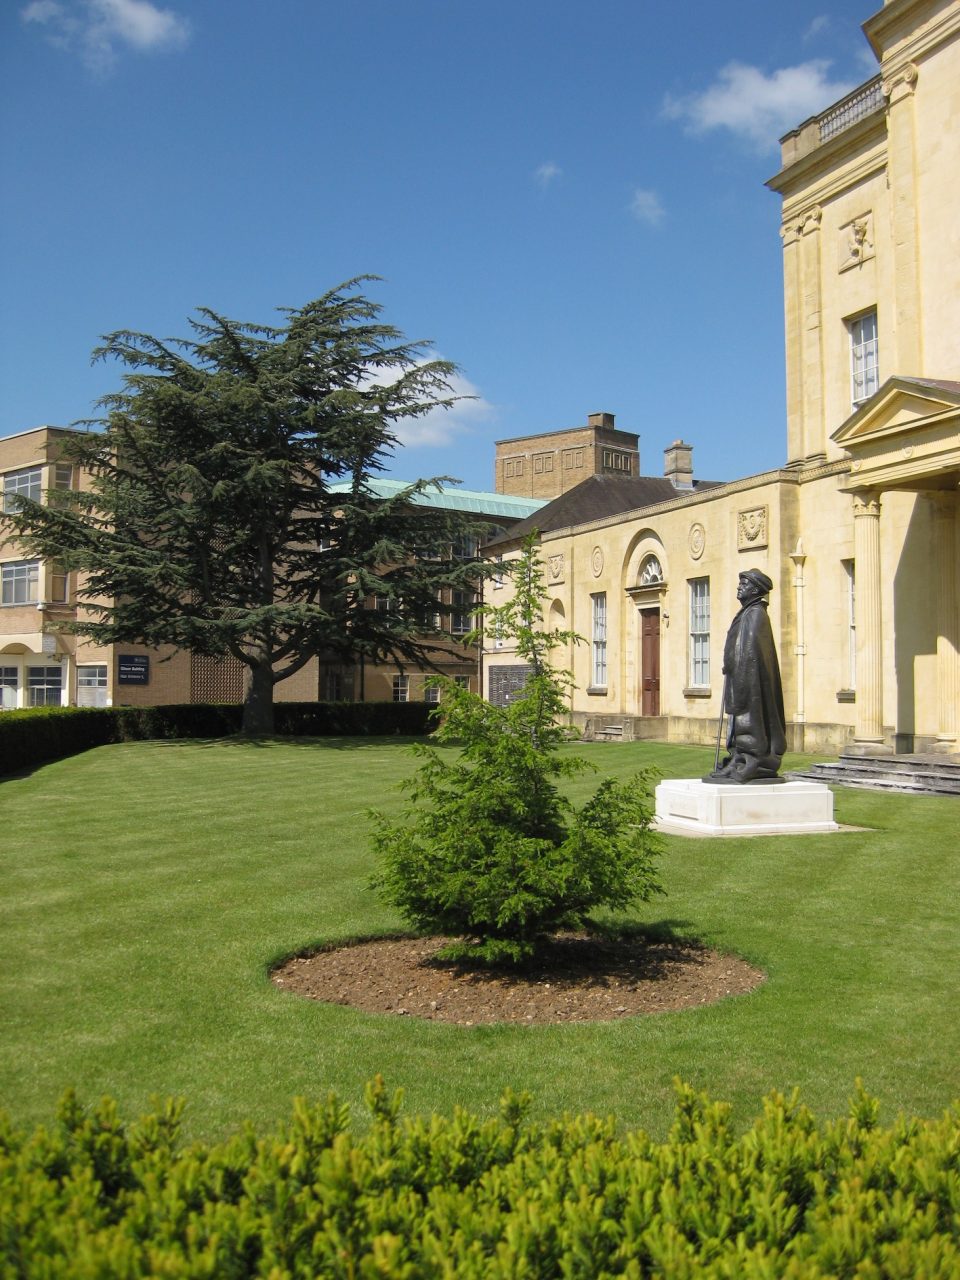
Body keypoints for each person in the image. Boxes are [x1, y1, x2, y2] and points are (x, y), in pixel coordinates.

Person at [706, 568, 786, 784]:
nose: (739, 586)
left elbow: (752, 653)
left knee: (749, 721)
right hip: (739, 678)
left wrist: (741, 676)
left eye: (745, 583)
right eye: (740, 582)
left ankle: (753, 760)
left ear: (756, 589)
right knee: (736, 723)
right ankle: (738, 758)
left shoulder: (756, 614)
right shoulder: (747, 613)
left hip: (749, 682)